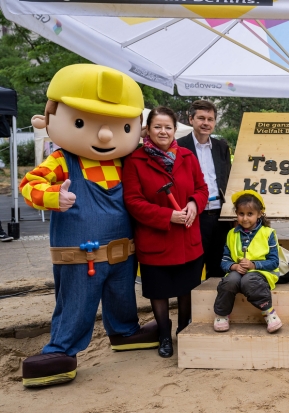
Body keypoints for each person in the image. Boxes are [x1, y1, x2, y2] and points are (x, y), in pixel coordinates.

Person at [19, 64, 160, 388]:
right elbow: (30, 184)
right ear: (49, 117)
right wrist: (54, 195)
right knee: (77, 303)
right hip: (82, 256)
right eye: (81, 122)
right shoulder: (62, 159)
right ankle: (61, 350)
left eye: (121, 125)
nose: (106, 135)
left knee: (122, 295)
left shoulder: (128, 161)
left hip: (123, 253)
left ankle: (125, 332)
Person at [123, 106, 209, 358]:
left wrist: (194, 203)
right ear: (148, 129)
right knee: (159, 291)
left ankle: (184, 329)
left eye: (168, 127)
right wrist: (167, 215)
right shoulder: (135, 161)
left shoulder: (187, 157)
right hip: (156, 238)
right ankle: (164, 334)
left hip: (187, 238)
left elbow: (202, 188)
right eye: (157, 126)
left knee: (186, 288)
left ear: (175, 129)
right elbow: (133, 201)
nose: (163, 131)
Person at [213, 190, 283, 333]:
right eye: (241, 214)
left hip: (261, 273)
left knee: (249, 280)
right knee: (229, 281)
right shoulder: (232, 234)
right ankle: (222, 314)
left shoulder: (268, 233)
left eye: (250, 214)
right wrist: (233, 266)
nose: (245, 218)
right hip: (238, 272)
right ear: (236, 214)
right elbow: (225, 260)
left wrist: (254, 265)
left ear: (259, 214)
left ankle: (268, 312)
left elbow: (274, 262)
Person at [177, 100, 232, 280]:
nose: (206, 123)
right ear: (191, 119)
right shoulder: (178, 146)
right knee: (192, 266)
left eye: (210, 119)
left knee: (218, 266)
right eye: (201, 118)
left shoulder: (221, 147)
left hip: (219, 215)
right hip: (194, 215)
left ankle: (215, 307)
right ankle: (191, 307)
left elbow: (227, 178)